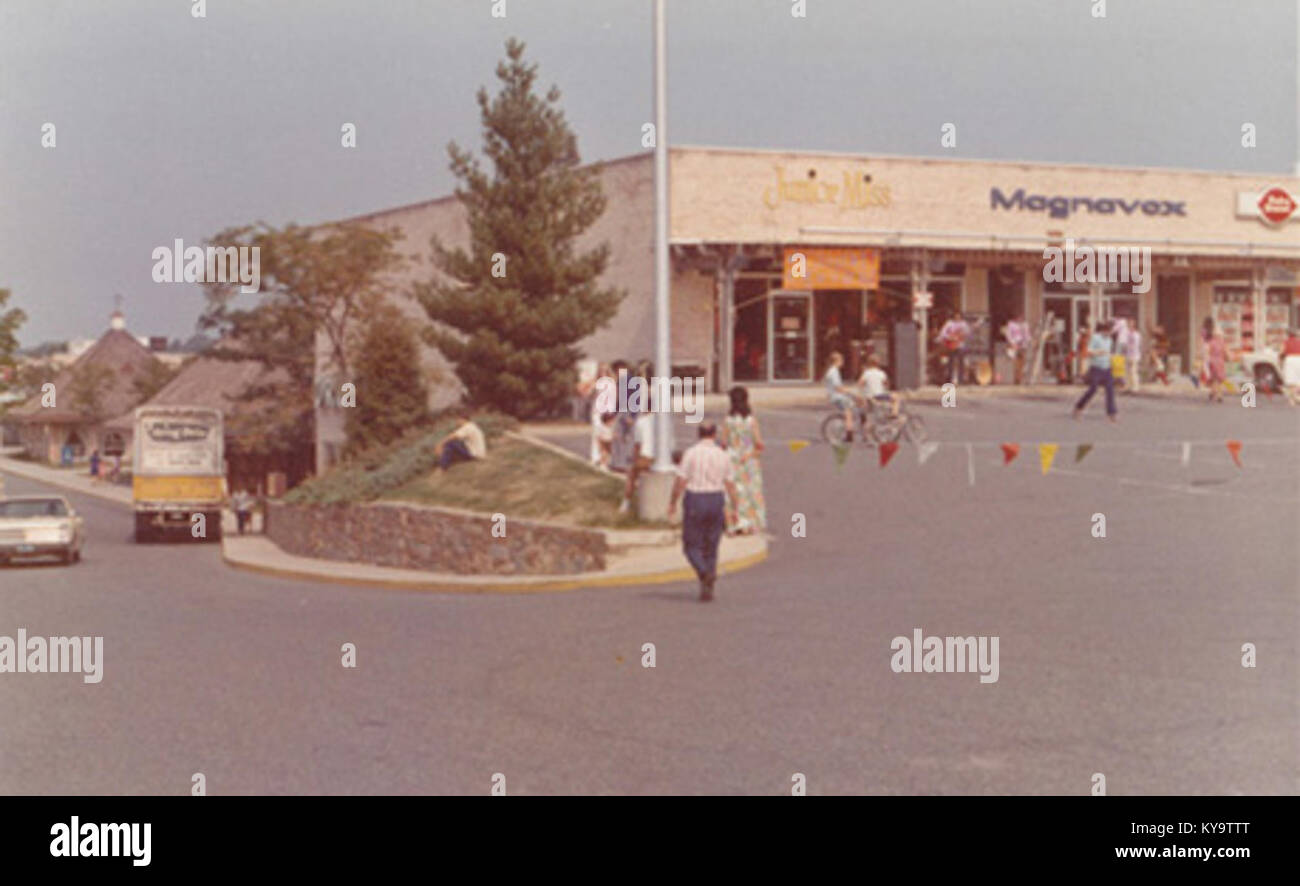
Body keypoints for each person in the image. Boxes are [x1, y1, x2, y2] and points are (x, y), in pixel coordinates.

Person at [668, 422, 738, 602]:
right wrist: (735, 508)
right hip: (715, 498)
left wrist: (673, 502)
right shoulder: (723, 455)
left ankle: (703, 572)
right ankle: (708, 584)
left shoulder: (690, 454)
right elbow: (730, 484)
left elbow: (681, 480)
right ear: (714, 434)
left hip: (696, 498)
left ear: (699, 434)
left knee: (691, 545)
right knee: (711, 545)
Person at [719, 386, 766, 536]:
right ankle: (750, 524)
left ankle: (734, 523)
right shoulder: (751, 421)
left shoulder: (728, 421)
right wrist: (751, 452)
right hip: (748, 460)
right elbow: (758, 443)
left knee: (733, 493)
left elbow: (724, 443)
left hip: (732, 459)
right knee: (750, 493)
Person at [1072, 321, 1118, 422]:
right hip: (1096, 368)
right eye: (1110, 331)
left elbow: (1109, 352)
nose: (1111, 334)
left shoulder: (1110, 340)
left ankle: (1112, 413)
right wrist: (1098, 352)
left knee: (1110, 390)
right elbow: (1088, 351)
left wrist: (1112, 360)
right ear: (1105, 330)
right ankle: (1079, 407)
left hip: (1107, 368)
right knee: (1093, 389)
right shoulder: (1096, 338)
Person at [619, 409, 656, 515]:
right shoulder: (662, 422)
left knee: (631, 475)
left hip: (646, 457)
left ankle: (625, 503)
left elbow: (637, 445)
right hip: (660, 458)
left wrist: (634, 459)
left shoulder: (642, 421)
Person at [823, 351, 861, 441]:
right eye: (841, 360)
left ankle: (853, 427)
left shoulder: (832, 371)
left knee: (857, 407)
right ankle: (849, 434)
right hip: (838, 397)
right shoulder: (833, 371)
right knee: (848, 412)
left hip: (837, 396)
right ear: (837, 361)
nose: (843, 362)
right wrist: (851, 394)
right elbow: (838, 387)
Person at [859, 354, 900, 420]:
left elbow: (860, 384)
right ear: (878, 364)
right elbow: (886, 384)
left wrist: (863, 391)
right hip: (879, 395)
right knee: (896, 397)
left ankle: (863, 414)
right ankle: (894, 413)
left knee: (861, 400)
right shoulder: (881, 373)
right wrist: (886, 387)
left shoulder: (866, 373)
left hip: (869, 396)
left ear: (868, 363)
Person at [938, 312, 971, 384]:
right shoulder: (949, 323)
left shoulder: (963, 324)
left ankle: (960, 380)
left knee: (961, 363)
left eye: (959, 317)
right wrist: (950, 337)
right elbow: (942, 333)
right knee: (950, 363)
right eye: (956, 317)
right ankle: (950, 379)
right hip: (951, 345)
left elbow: (968, 333)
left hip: (960, 345)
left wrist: (963, 334)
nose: (957, 318)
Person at [1200, 318, 1228, 403]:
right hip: (1220, 361)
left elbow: (1207, 351)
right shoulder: (1222, 342)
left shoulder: (1211, 342)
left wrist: (1205, 358)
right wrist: (1227, 358)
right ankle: (1219, 394)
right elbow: (1225, 351)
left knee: (1213, 379)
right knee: (1219, 379)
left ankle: (1213, 392)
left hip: (1212, 360)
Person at [1002, 313, 1031, 384]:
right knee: (1015, 364)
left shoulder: (1025, 325)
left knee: (1022, 363)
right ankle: (1016, 379)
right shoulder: (1011, 324)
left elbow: (1028, 336)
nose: (1020, 319)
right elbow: (1008, 335)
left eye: (1021, 317)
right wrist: (1012, 343)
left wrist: (1028, 341)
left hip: (1023, 346)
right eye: (1019, 317)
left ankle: (1020, 379)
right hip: (1014, 345)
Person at [1282, 328, 1300, 406]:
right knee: (1298, 379)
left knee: (1291, 381)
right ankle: (1296, 396)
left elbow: (1282, 351)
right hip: (1299, 359)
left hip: (1290, 359)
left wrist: (1281, 358)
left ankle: (1293, 399)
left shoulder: (1286, 342)